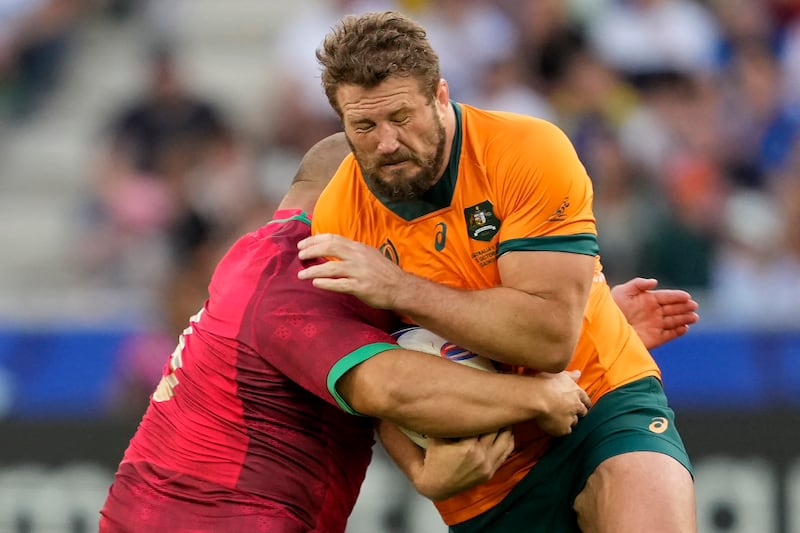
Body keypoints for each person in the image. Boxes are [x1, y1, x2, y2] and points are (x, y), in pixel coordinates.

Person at [98, 132, 696, 532]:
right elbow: (391, 387)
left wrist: (595, 325)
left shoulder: (301, 260)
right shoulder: (298, 271)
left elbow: (451, 325)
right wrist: (541, 394)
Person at [298, 11, 697, 533]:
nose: (387, 143)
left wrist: (395, 285)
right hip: (485, 462)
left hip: (599, 396)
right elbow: (369, 377)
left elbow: (551, 339)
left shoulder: (527, 151)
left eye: (401, 117)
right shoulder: (338, 219)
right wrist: (421, 471)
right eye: (364, 126)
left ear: (440, 96)